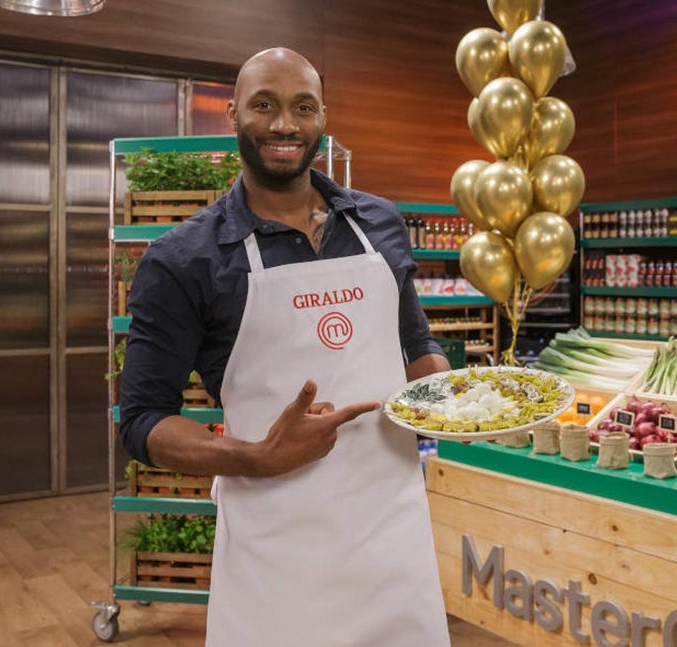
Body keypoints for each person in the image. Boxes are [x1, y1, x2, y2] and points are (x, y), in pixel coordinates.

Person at [118, 47, 452, 647]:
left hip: (392, 532)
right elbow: (143, 419)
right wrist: (255, 455)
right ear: (232, 115)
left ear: (323, 117)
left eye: (302, 107)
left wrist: (450, 397)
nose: (284, 125)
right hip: (277, 548)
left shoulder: (379, 224)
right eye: (264, 106)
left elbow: (414, 340)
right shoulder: (183, 260)